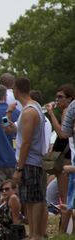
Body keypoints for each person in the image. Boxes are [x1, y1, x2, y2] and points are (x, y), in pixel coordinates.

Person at [8, 77, 48, 240]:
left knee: (34, 198)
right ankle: (32, 233)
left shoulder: (30, 111)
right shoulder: (31, 108)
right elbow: (17, 131)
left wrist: (19, 168)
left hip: (30, 161)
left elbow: (26, 142)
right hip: (30, 161)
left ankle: (36, 234)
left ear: (17, 90)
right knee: (28, 198)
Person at [44, 84, 75, 232]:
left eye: (61, 97)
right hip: (65, 156)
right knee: (65, 197)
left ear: (70, 98)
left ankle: (64, 231)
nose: (57, 100)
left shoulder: (67, 112)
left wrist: (51, 114)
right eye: (56, 97)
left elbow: (62, 133)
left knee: (65, 197)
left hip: (66, 158)